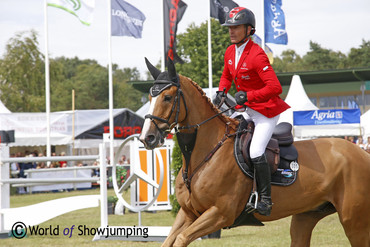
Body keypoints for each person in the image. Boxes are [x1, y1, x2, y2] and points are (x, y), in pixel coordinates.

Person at [214, 7, 290, 216]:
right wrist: (222, 91)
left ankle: (265, 199)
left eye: (236, 27)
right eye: (230, 27)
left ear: (249, 30)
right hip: (247, 110)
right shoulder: (230, 51)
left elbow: (275, 88)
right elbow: (226, 76)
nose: (231, 31)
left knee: (256, 151)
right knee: (229, 142)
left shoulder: (257, 54)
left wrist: (248, 96)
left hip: (266, 111)